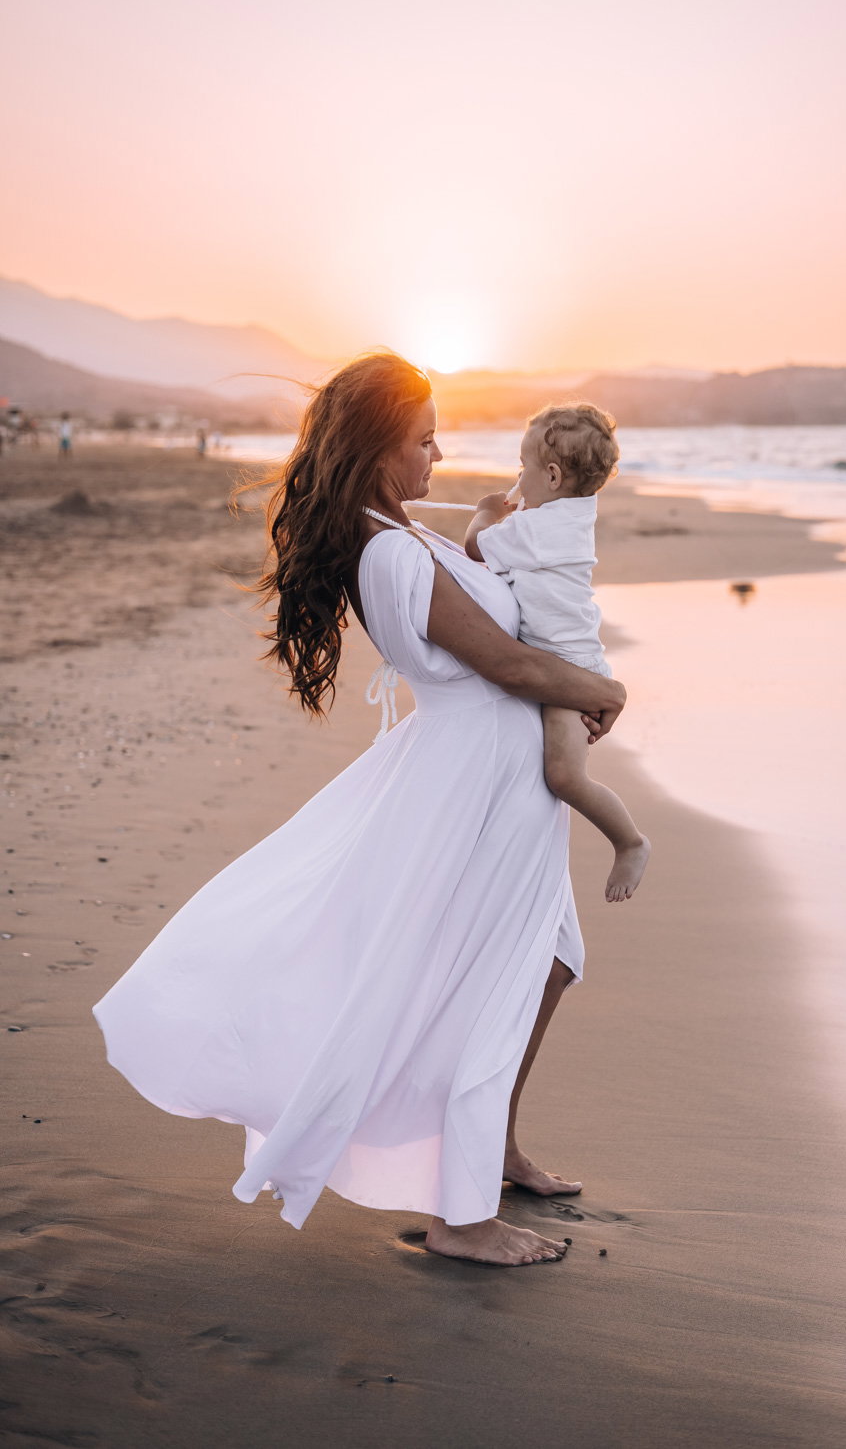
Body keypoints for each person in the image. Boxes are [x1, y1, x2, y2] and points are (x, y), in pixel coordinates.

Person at [92, 350, 626, 1267]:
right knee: (492, 979)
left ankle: (492, 1147)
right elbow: (507, 664)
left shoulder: (403, 536)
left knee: (548, 959)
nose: (438, 456)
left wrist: (486, 540)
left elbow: (498, 627)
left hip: (498, 777)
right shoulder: (388, 553)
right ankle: (462, 1220)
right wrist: (605, 691)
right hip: (477, 785)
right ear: (379, 449)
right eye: (424, 440)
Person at [464, 405, 650, 903]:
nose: (517, 479)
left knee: (564, 777)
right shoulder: (569, 516)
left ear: (551, 476)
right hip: (566, 661)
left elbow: (475, 547)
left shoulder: (537, 529)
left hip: (568, 673)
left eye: (521, 468)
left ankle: (629, 841)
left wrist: (486, 511)